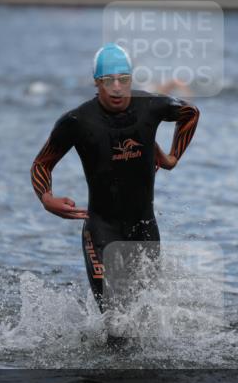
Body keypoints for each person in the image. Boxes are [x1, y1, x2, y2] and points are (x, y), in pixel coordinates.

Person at [30, 43, 200, 348]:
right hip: (101, 228)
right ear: (97, 82)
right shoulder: (76, 122)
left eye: (124, 79)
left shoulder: (151, 106)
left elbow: (190, 112)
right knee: (116, 322)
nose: (118, 89)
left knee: (141, 319)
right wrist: (46, 198)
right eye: (109, 81)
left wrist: (172, 157)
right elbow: (42, 163)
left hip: (145, 228)